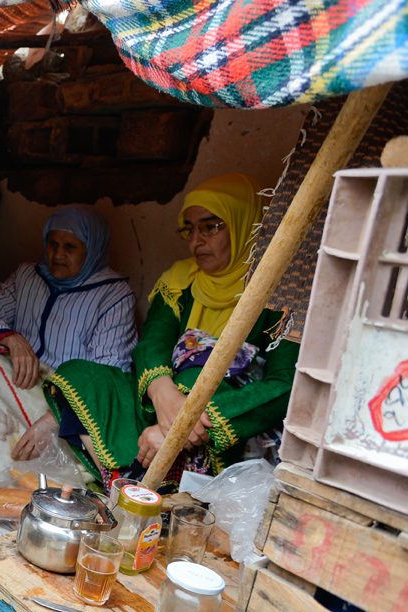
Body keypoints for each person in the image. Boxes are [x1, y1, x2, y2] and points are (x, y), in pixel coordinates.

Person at [39, 173, 298, 486]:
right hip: (161, 402)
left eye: (210, 226)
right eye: (189, 229)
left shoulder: (282, 296)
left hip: (224, 419)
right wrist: (163, 392)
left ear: (246, 223)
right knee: (81, 376)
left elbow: (285, 385)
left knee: (199, 368)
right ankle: (120, 482)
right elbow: (152, 344)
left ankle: (159, 480)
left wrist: (186, 423)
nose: (196, 241)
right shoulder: (179, 280)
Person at [0, 205, 137, 485]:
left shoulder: (114, 295)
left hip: (69, 403)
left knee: (83, 413)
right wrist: (12, 338)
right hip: (22, 382)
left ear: (92, 249)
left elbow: (107, 373)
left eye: (71, 246)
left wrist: (55, 417)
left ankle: (25, 455)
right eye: (52, 243)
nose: (57, 254)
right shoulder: (28, 276)